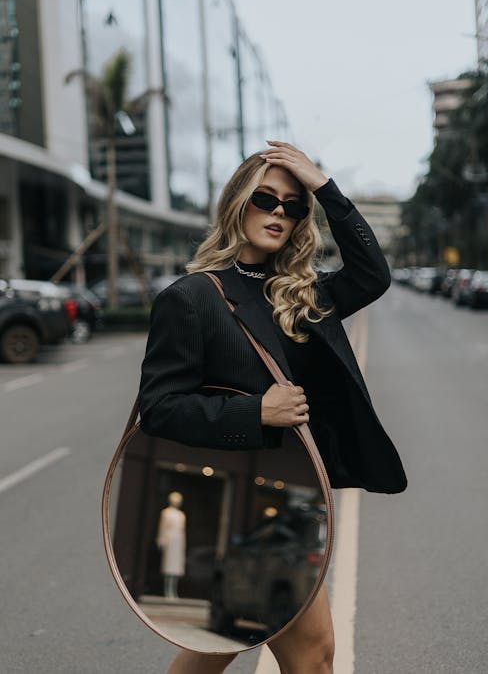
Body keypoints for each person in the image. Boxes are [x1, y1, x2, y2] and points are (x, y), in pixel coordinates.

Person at [139, 140, 407, 674]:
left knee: (227, 641)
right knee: (306, 651)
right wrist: (256, 412)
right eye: (266, 198)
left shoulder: (303, 296)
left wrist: (324, 188)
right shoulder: (193, 298)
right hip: (238, 500)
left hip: (295, 497)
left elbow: (372, 275)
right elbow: (159, 408)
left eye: (293, 205)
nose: (280, 213)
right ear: (238, 203)